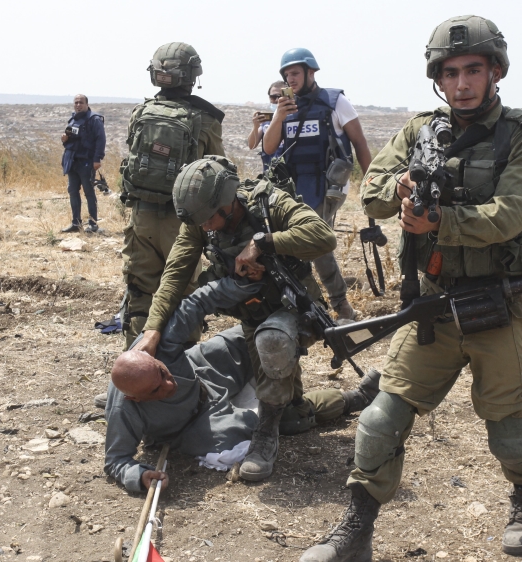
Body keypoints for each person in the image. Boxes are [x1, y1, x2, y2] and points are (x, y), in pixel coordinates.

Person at [300, 16, 522, 561]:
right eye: (450, 73)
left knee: (510, 433)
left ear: (495, 71)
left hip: (500, 304)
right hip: (434, 308)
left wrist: (440, 220)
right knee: (377, 421)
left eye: (472, 70)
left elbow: (511, 214)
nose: (462, 83)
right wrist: (399, 190)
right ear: (437, 78)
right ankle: (356, 528)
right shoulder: (418, 131)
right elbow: (370, 193)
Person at [134, 156, 336, 483]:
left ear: (227, 202)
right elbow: (175, 274)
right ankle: (357, 396)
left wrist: (264, 243)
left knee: (273, 342)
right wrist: (152, 329)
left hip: (296, 310)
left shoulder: (268, 202)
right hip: (254, 317)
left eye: (208, 219)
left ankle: (265, 436)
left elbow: (322, 236)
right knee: (294, 416)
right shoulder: (202, 219)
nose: (204, 228)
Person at [104, 276, 381, 493]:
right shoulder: (123, 410)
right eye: (156, 391)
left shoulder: (154, 347)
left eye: (163, 372)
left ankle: (325, 335)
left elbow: (197, 302)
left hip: (206, 372)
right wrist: (139, 476)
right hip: (196, 425)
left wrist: (244, 284)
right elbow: (116, 460)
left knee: (267, 338)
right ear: (134, 400)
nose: (169, 384)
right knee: (277, 421)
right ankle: (356, 398)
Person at [121, 42, 225, 350]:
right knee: (184, 295)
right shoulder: (206, 119)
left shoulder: (141, 112)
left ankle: (132, 377)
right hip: (182, 222)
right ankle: (180, 378)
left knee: (139, 291)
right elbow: (217, 172)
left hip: (140, 216)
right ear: (192, 75)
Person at [262, 48, 373, 323]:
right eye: (287, 75)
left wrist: (371, 182)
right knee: (293, 245)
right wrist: (278, 116)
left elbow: (359, 142)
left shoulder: (335, 101)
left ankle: (340, 305)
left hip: (327, 185)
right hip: (295, 186)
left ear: (311, 72)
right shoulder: (285, 108)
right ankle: (307, 304)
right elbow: (269, 147)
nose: (291, 79)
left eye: (295, 73)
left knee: (316, 242)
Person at [61, 94, 106, 233]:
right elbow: (71, 141)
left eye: (81, 102)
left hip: (86, 161)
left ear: (87, 104)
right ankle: (76, 223)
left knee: (89, 192)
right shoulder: (73, 119)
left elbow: (100, 139)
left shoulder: (94, 120)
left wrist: (97, 159)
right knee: (73, 191)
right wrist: (65, 139)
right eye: (76, 102)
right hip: (73, 161)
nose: (78, 105)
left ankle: (93, 224)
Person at [247, 81, 287, 173]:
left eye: (280, 96)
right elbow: (251, 145)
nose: (277, 100)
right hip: (270, 174)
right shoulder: (266, 122)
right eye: (273, 97)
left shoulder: (294, 119)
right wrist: (255, 126)